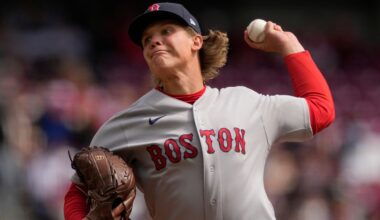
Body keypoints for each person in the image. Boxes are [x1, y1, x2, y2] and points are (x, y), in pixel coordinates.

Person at [64, 2, 335, 220]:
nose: (154, 41)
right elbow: (77, 190)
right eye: (147, 39)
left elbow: (320, 110)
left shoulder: (246, 102)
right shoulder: (127, 123)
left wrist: (289, 45)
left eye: (166, 31)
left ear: (196, 41)